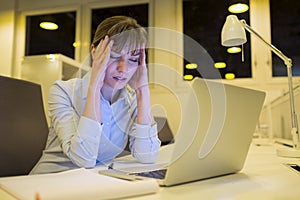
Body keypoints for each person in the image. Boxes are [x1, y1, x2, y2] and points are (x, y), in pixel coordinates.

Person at [30, 16, 161, 174]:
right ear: (94, 51)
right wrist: (94, 88)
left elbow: (147, 156)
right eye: (114, 56)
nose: (123, 68)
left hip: (95, 182)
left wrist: (142, 91)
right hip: (48, 182)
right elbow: (83, 159)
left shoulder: (130, 99)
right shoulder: (63, 91)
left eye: (133, 60)